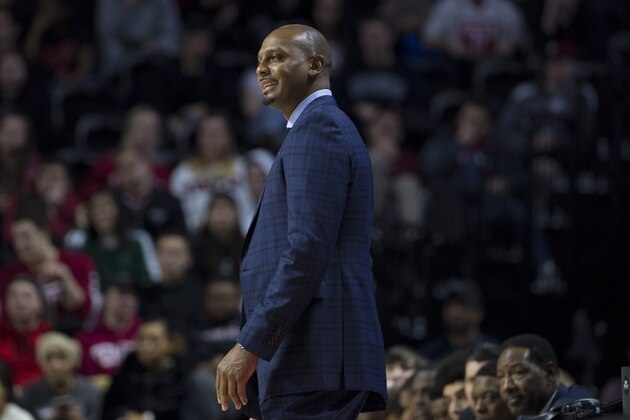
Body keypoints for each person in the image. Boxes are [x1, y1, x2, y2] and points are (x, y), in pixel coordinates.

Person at [215, 24, 387, 419]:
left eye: (275, 57)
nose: (261, 68)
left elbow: (306, 249)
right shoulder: (309, 131)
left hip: (315, 354)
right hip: (310, 358)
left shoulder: (319, 128)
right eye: (259, 60)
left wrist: (250, 344)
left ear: (314, 64)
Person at [496, 333, 592, 417]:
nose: (506, 386)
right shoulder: (528, 414)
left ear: (549, 373)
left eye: (518, 372)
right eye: (501, 377)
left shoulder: (575, 412)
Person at [19, 331, 102, 420]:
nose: (56, 366)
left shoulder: (91, 392)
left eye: (62, 357)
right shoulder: (29, 394)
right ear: (41, 363)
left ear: (73, 361)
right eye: (49, 358)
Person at [0, 276, 51, 388]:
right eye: (13, 296)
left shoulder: (52, 338)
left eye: (27, 296)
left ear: (41, 303)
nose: (20, 302)